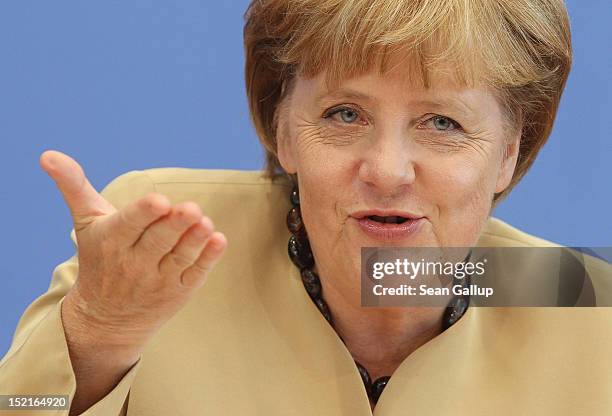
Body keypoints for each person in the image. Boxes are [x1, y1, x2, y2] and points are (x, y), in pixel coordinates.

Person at [1, 0, 611, 415]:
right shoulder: (161, 239)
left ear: (509, 151)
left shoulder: (580, 303)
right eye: (346, 114)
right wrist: (97, 334)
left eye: (442, 122)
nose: (387, 170)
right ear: (283, 130)